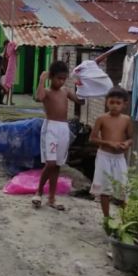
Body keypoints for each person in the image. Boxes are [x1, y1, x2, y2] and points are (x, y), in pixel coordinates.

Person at [33, 60, 84, 211]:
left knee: (57, 165)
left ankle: (52, 198)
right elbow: (39, 97)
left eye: (63, 79)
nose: (61, 82)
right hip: (51, 128)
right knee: (50, 163)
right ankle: (39, 191)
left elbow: (80, 101)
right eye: (58, 78)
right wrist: (42, 79)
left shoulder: (66, 91)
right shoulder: (47, 92)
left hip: (63, 129)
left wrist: (84, 85)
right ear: (51, 77)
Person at [90, 87, 133, 218]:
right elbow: (92, 138)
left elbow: (131, 138)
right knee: (105, 189)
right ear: (106, 102)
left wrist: (126, 143)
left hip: (119, 158)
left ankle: (125, 219)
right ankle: (107, 218)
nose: (114, 106)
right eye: (111, 102)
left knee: (123, 187)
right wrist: (109, 143)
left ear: (125, 104)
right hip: (104, 156)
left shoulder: (126, 120)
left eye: (118, 103)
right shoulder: (101, 119)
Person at [2, 39, 17, 105]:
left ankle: (9, 101)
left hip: (9, 72)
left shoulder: (10, 53)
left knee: (10, 87)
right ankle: (6, 100)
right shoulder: (4, 54)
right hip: (4, 72)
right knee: (6, 87)